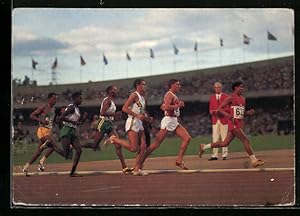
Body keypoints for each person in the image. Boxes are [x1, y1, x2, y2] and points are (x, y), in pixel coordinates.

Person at [198, 81, 265, 168]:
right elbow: (219, 109)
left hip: (239, 123)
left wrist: (248, 113)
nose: (242, 88)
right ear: (235, 88)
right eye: (241, 87)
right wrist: (228, 115)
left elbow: (241, 113)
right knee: (246, 140)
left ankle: (204, 147)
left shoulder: (243, 99)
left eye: (243, 87)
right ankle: (254, 160)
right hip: (233, 124)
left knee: (224, 143)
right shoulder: (230, 98)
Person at [137, 79, 192, 171]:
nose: (179, 86)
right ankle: (139, 164)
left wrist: (172, 106)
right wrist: (178, 106)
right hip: (168, 120)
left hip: (174, 120)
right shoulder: (169, 94)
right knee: (156, 144)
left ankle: (179, 160)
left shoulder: (172, 95)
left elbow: (163, 106)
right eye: (177, 84)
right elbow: (166, 107)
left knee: (187, 138)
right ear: (172, 85)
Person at [82, 85, 133, 174]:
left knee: (118, 145)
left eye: (116, 90)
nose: (116, 91)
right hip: (103, 123)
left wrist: (115, 116)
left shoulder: (112, 102)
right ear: (109, 91)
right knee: (94, 145)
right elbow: (102, 113)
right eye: (114, 90)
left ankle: (124, 167)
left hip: (109, 124)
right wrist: (115, 114)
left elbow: (110, 114)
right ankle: (75, 145)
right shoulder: (107, 101)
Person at [109, 79, 153, 176]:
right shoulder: (134, 95)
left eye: (145, 84)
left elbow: (141, 113)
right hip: (132, 121)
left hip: (139, 123)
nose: (145, 86)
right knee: (133, 149)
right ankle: (115, 139)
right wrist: (137, 116)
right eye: (143, 84)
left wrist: (147, 118)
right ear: (138, 85)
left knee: (143, 146)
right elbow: (124, 108)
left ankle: (137, 169)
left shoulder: (142, 98)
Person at [22, 93, 65, 175]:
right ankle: (47, 147)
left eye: (56, 99)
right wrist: (41, 120)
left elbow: (52, 120)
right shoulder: (44, 107)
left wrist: (57, 120)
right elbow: (32, 115)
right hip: (42, 130)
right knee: (54, 145)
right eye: (54, 99)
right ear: (49, 99)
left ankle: (26, 167)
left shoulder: (53, 109)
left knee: (39, 152)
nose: (55, 101)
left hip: (49, 131)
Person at [58, 92, 87, 177]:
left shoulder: (77, 109)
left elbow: (77, 123)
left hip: (73, 130)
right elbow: (61, 117)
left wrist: (83, 118)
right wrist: (74, 122)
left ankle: (72, 172)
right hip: (66, 129)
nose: (81, 100)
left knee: (79, 150)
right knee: (66, 155)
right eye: (80, 98)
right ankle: (51, 145)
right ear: (75, 99)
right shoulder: (71, 107)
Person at [208, 82, 229, 161]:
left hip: (224, 120)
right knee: (215, 138)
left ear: (221, 88)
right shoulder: (212, 98)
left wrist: (220, 111)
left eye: (218, 87)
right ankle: (214, 155)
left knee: (224, 138)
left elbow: (228, 109)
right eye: (216, 87)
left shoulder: (226, 97)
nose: (217, 89)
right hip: (215, 120)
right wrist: (214, 112)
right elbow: (210, 109)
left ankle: (225, 155)